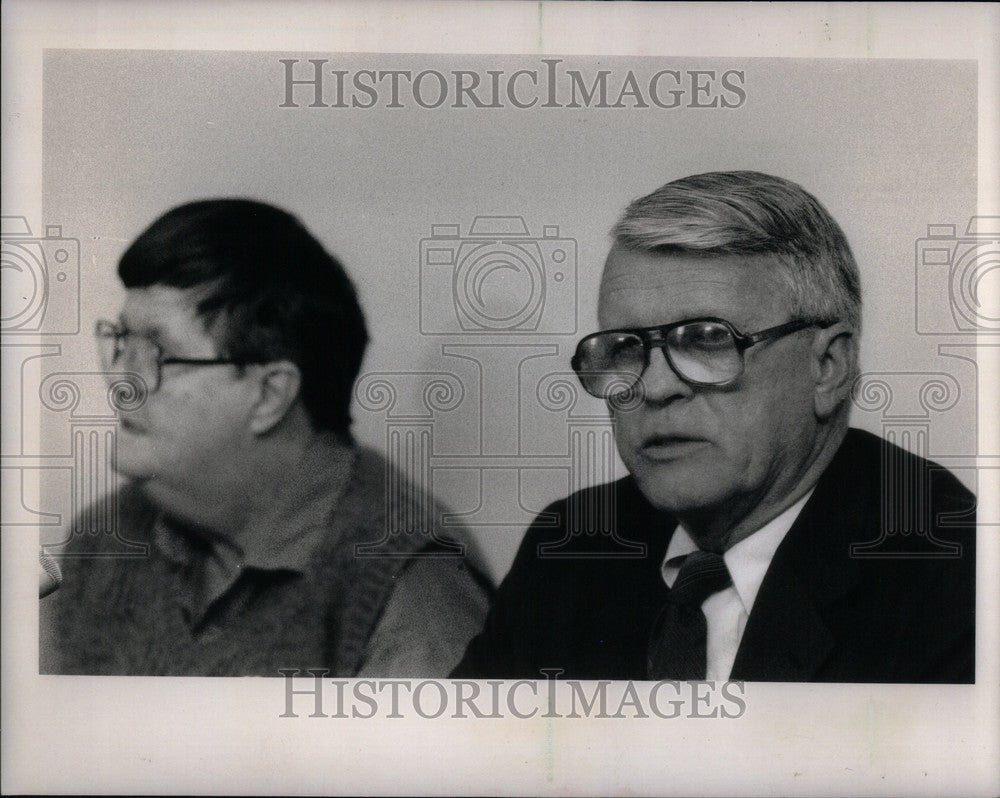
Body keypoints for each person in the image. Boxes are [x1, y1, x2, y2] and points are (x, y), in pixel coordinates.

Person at [453, 171, 976, 683]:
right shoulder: (569, 548)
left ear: (827, 368)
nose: (655, 388)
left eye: (707, 340)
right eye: (623, 348)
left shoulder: (959, 577)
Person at [40, 199, 489, 676]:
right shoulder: (103, 538)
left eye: (157, 353)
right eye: (120, 343)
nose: (119, 381)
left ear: (270, 395)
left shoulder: (410, 590)